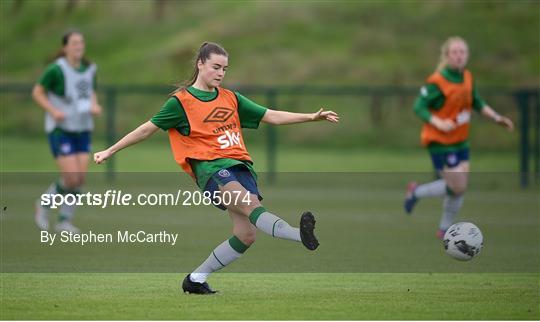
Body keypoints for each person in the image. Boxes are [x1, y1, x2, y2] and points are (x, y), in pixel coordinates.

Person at [93, 42, 339, 294]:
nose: (221, 73)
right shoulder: (182, 102)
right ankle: (301, 236)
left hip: (241, 167)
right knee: (251, 206)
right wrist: (110, 150)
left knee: (246, 234)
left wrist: (310, 116)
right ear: (200, 63)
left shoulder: (230, 97)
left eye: (225, 68)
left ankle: (195, 280)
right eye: (216, 67)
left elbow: (271, 115)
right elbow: (147, 129)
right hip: (212, 171)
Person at [404, 36, 514, 240]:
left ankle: (443, 228)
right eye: (454, 52)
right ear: (446, 56)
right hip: (440, 142)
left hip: (461, 141)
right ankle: (418, 195)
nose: (459, 55)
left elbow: (477, 102)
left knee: (458, 188)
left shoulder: (467, 77)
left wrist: (497, 118)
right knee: (459, 185)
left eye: (462, 51)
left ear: (467, 55)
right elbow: (418, 106)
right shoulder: (438, 81)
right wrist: (438, 122)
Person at [32, 29, 102, 233]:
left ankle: (64, 220)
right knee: (71, 178)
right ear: (65, 47)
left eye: (81, 42)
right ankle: (43, 204)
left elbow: (91, 93)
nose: (78, 46)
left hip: (83, 128)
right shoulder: (56, 70)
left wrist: (95, 105)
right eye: (74, 43)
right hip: (61, 129)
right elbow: (37, 92)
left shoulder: (89, 69)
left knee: (79, 178)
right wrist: (53, 110)